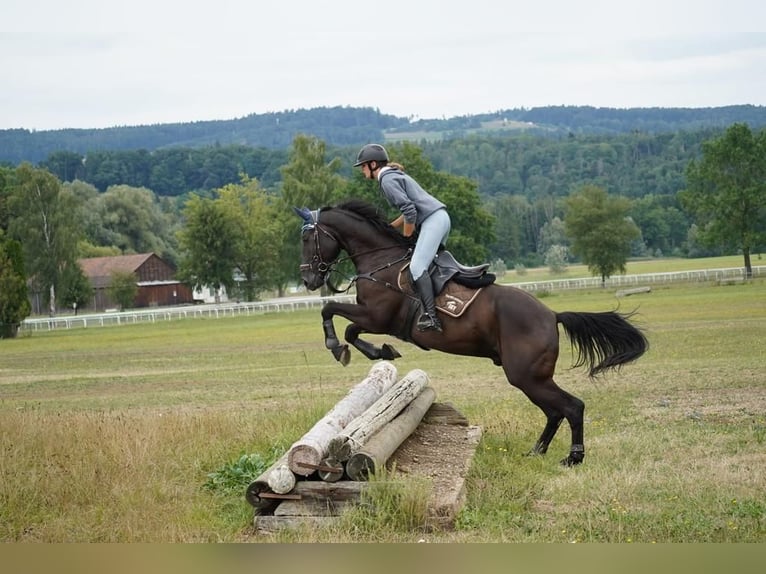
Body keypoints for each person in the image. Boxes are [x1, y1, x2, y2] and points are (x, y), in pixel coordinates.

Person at [354, 143, 451, 333]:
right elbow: (409, 209)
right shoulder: (391, 175)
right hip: (439, 218)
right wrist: (390, 227)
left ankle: (431, 317)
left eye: (363, 166)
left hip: (433, 221)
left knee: (416, 267)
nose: (362, 170)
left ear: (373, 164)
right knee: (426, 265)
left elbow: (409, 210)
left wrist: (406, 237)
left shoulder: (386, 180)